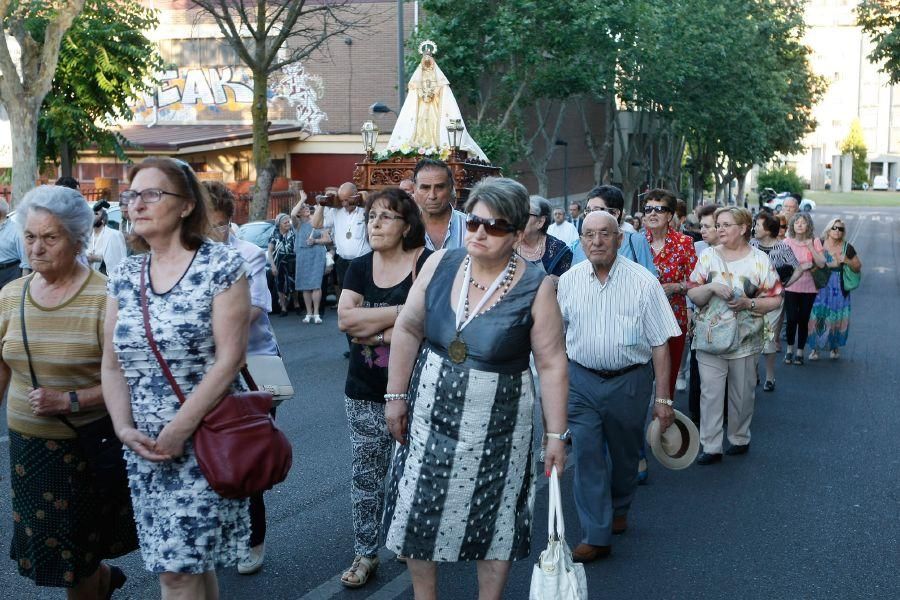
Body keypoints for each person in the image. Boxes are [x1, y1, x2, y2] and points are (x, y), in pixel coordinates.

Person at [382, 177, 568, 600]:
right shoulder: (440, 263)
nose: (481, 233)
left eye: (496, 226)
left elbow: (553, 362)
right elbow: (409, 326)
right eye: (474, 223)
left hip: (501, 425)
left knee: (497, 516)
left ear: (519, 234)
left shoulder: (537, 286)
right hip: (429, 415)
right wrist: (395, 396)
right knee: (418, 508)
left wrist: (556, 436)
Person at [102, 157, 251, 598]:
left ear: (186, 205)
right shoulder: (125, 274)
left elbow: (230, 359)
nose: (138, 204)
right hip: (144, 445)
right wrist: (123, 427)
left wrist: (179, 428)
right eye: (132, 195)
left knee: (177, 572)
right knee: (189, 566)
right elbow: (111, 362)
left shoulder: (220, 265)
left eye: (153, 194)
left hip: (203, 434)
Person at [1, 185, 135, 599]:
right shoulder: (9, 296)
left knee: (74, 563)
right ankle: (101, 578)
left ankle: (96, 578)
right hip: (28, 452)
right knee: (59, 557)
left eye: (50, 237)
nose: (36, 248)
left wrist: (70, 401)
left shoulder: (106, 297)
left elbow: (130, 380)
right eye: (30, 237)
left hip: (83, 450)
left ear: (78, 239)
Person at [558, 211, 680, 563]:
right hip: (581, 380)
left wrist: (663, 398)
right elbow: (557, 336)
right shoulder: (569, 281)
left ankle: (620, 504)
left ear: (620, 239)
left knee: (625, 456)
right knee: (587, 453)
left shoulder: (644, 282)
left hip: (630, 381)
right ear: (581, 240)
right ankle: (596, 534)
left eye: (604, 234)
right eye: (589, 234)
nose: (596, 241)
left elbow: (660, 343)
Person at [335, 188, 431, 588]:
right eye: (371, 216)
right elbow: (344, 320)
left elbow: (428, 327)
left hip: (417, 392)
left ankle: (415, 546)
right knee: (366, 475)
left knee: (412, 475)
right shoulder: (359, 267)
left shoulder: (425, 264)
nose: (374, 223)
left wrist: (372, 324)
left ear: (406, 224)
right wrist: (400, 319)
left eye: (386, 216)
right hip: (362, 390)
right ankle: (365, 552)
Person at [205, 180, 281, 576]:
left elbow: (253, 310)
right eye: (203, 224)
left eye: (216, 225)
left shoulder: (247, 253)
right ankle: (217, 535)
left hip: (258, 363)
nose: (209, 234)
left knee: (248, 456)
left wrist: (200, 325)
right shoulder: (185, 256)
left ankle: (253, 538)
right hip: (205, 370)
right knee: (208, 456)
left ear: (229, 221)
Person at [687, 207, 782, 464]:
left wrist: (748, 305)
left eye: (726, 224)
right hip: (710, 338)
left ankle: (739, 437)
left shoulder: (759, 260)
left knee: (742, 395)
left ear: (742, 228)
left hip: (745, 339)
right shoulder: (708, 256)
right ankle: (711, 445)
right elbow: (693, 293)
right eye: (718, 224)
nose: (720, 229)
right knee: (710, 394)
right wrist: (710, 287)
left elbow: (775, 298)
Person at [643, 189, 697, 396]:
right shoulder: (635, 241)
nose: (653, 214)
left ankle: (664, 423)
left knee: (668, 379)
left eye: (659, 209)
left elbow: (696, 281)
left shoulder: (684, 243)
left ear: (670, 215)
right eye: (648, 209)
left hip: (673, 318)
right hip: (641, 320)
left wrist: (676, 287)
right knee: (641, 379)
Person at [750, 211, 800, 391]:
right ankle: (754, 371)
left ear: (768, 229)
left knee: (768, 336)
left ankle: (769, 377)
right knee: (752, 335)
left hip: (772, 299)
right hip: (752, 297)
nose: (754, 227)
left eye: (757, 225)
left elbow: (798, 268)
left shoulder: (783, 248)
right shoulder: (751, 244)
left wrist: (785, 285)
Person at [569, 185, 657, 276]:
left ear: (615, 213)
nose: (590, 216)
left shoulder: (636, 242)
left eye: (596, 210)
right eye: (588, 211)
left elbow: (650, 281)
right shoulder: (578, 246)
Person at [808, 218, 861, 361]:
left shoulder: (847, 247)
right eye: (834, 228)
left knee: (837, 317)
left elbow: (857, 267)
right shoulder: (819, 243)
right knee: (818, 315)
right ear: (828, 229)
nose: (837, 231)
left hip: (839, 287)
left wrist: (847, 261)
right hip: (820, 285)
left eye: (840, 229)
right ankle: (815, 349)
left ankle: (834, 347)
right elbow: (810, 261)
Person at [687, 204, 721, 423]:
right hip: (700, 321)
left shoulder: (739, 254)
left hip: (728, 325)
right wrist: (690, 310)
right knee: (698, 372)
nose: (703, 230)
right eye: (701, 226)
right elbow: (690, 283)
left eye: (708, 226)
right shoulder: (697, 248)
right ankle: (697, 418)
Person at [311, 181, 369, 302]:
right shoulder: (336, 211)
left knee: (365, 294)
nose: (345, 204)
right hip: (343, 262)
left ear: (356, 196)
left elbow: (374, 209)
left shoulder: (365, 210)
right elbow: (316, 224)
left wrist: (366, 199)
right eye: (342, 200)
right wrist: (323, 202)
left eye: (348, 200)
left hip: (363, 261)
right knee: (347, 296)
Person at [781, 213, 826, 365]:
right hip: (791, 286)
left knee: (803, 319)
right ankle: (789, 350)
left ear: (808, 226)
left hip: (810, 288)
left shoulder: (815, 241)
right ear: (792, 226)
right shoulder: (786, 242)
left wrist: (810, 246)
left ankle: (800, 352)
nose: (799, 225)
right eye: (796, 222)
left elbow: (821, 264)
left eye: (803, 222)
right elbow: (781, 265)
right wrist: (800, 267)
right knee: (792, 319)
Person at [413, 158, 467, 251]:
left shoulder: (470, 226)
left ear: (451, 188)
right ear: (414, 189)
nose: (432, 196)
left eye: (439, 187)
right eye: (425, 188)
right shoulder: (405, 228)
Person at [292, 196, 330, 323]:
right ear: (299, 212)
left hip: (317, 255)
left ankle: (316, 313)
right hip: (302, 255)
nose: (306, 208)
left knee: (316, 285)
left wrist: (315, 240)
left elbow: (328, 239)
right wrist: (302, 199)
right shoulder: (297, 224)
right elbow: (292, 213)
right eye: (303, 208)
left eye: (307, 207)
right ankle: (308, 313)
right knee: (305, 286)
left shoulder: (317, 221)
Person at [517, 195, 572, 281]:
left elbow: (568, 286)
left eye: (524, 215)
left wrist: (560, 282)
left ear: (540, 222)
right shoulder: (507, 245)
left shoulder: (559, 251)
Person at [267, 213, 297, 316]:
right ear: (279, 224)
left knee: (293, 283)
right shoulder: (274, 234)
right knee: (279, 284)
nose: (288, 224)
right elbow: (270, 251)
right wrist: (273, 266)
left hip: (292, 259)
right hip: (279, 260)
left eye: (289, 222)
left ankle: (296, 305)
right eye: (285, 222)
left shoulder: (293, 232)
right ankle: (283, 308)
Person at [87, 207, 127, 276]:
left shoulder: (113, 235)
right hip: (90, 279)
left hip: (107, 279)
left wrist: (98, 258)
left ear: (103, 220)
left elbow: (118, 261)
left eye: (96, 214)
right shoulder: (88, 236)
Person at [0, 198, 29, 288]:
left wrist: (23, 285)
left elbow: (25, 260)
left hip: (10, 272)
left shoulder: (16, 230)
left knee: (8, 300)